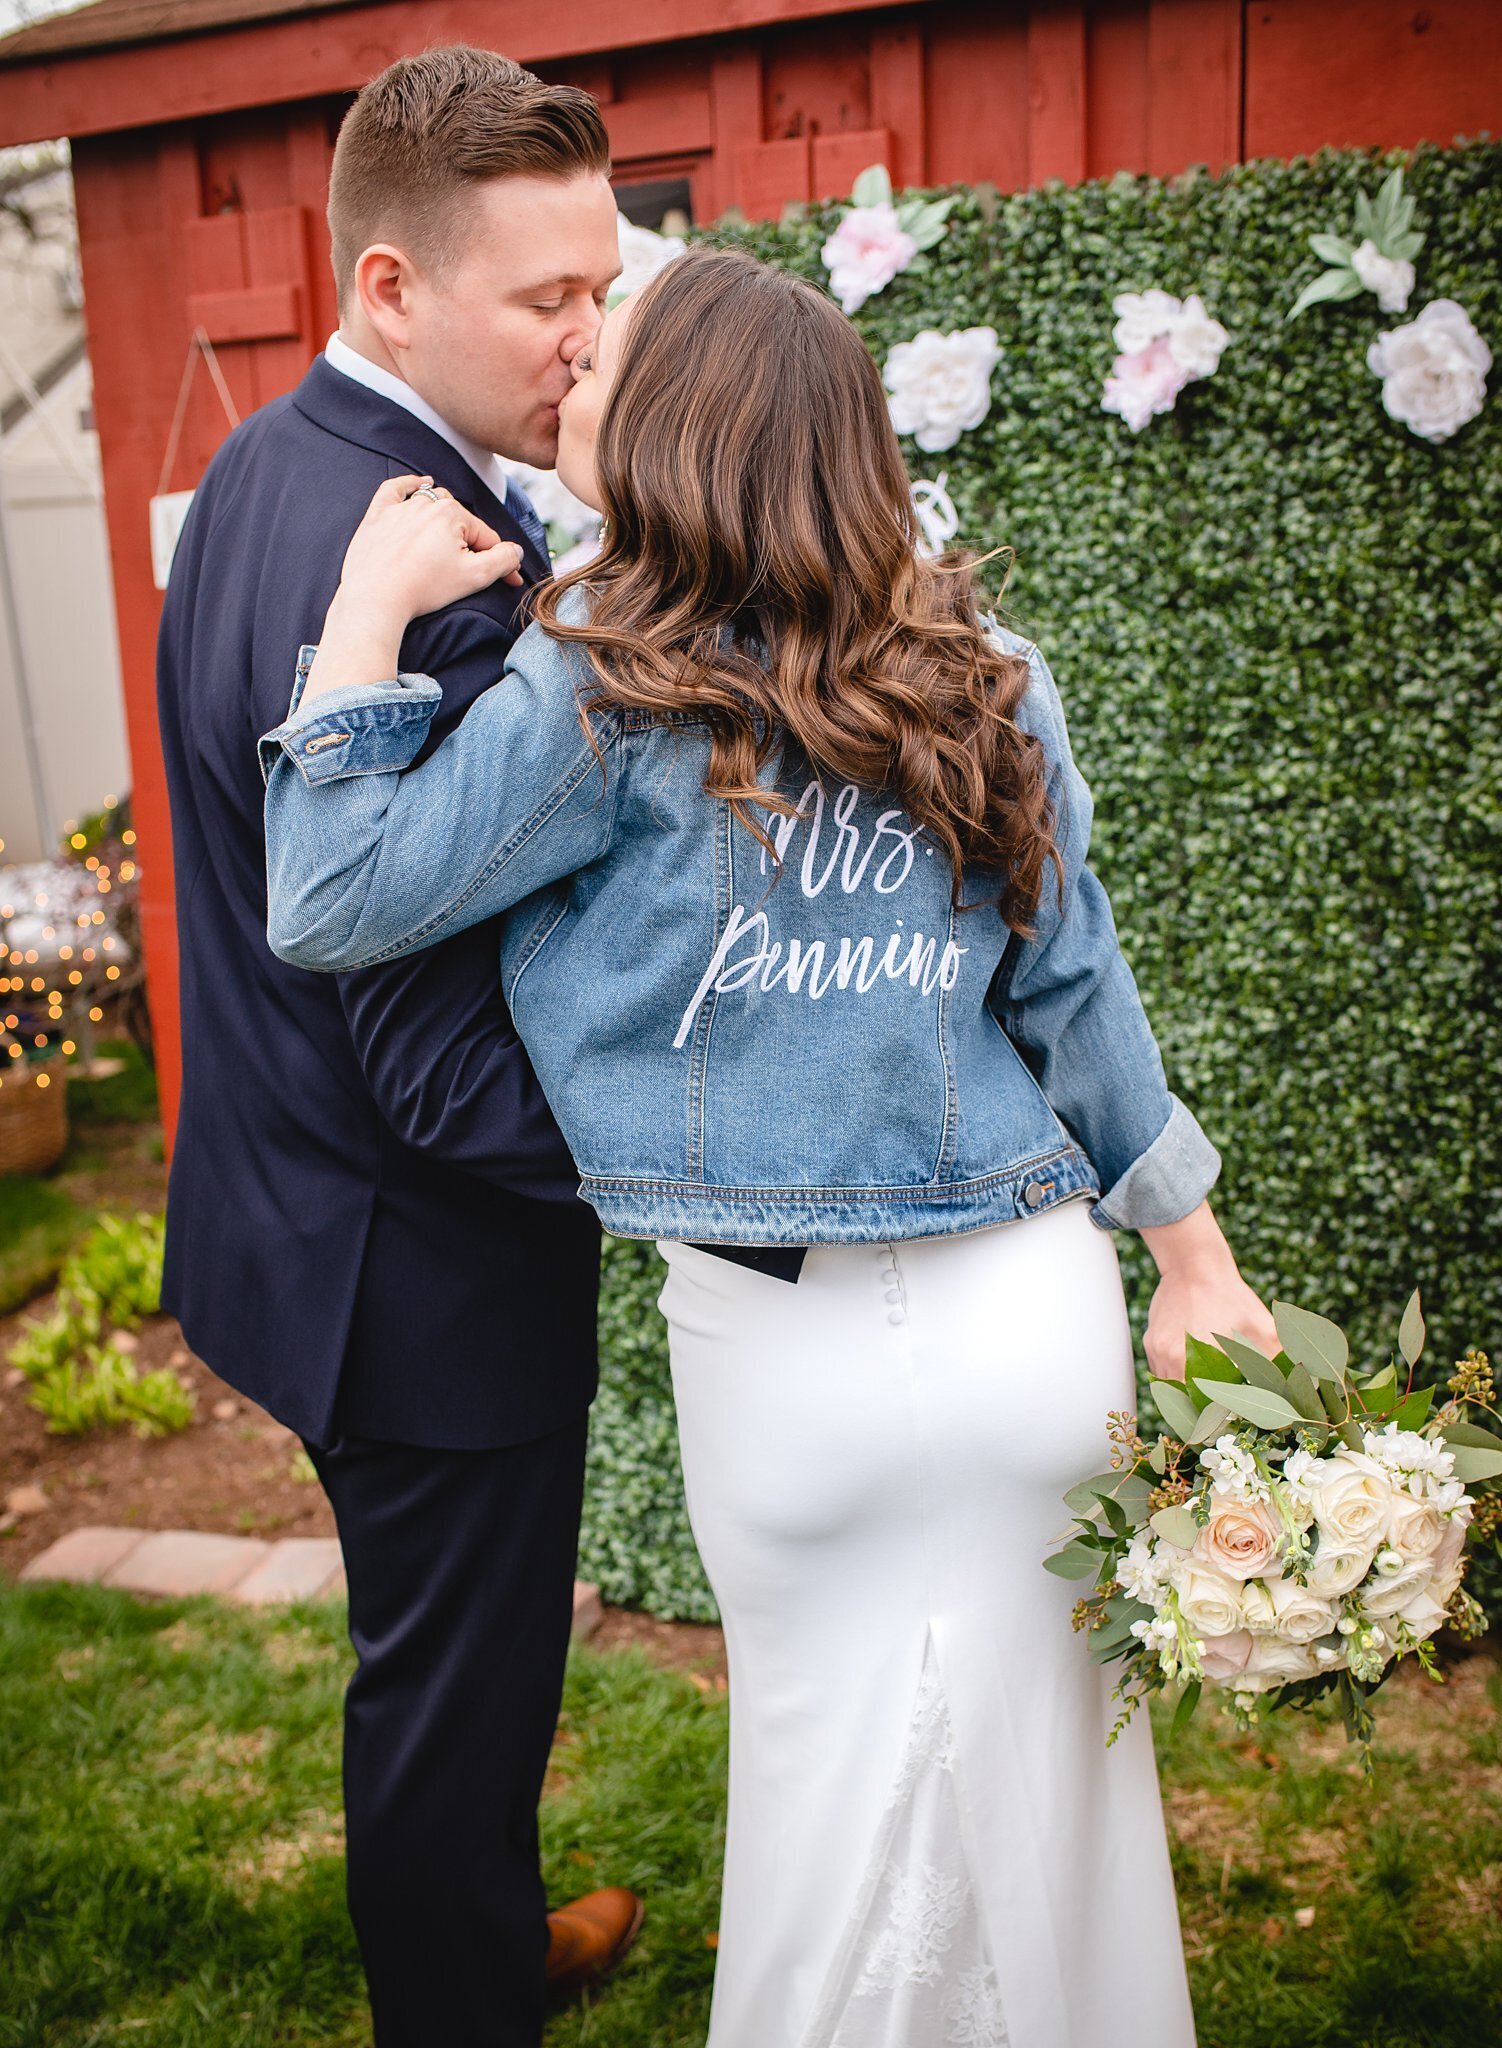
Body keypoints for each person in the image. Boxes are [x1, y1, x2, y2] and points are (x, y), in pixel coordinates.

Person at [258, 246, 1281, 2048]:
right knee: (1058, 1802)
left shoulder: (600, 690)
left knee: (826, 1811)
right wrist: (1193, 1256)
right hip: (1028, 1328)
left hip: (782, 1358)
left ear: (678, 433)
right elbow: (1078, 989)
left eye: (610, 358)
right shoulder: (985, 674)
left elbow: (331, 896)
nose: (575, 371)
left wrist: (361, 615)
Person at [154, 47, 642, 2048]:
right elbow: (444, 1075)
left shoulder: (271, 471)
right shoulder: (423, 582)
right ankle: (467, 1996)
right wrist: (710, 1143)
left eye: (598, 287)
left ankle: (481, 1931)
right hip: (421, 1277)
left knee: (434, 1676)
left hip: (296, 1207)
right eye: (547, 301)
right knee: (452, 1700)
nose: (587, 340)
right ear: (384, 290)